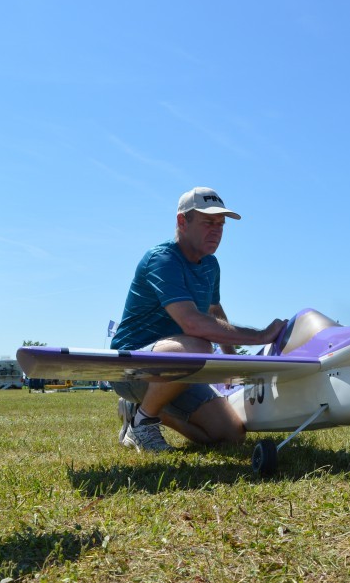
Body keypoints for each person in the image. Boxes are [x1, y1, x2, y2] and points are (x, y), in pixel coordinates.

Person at [109, 187, 286, 452]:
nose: (216, 231)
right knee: (199, 346)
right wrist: (261, 336)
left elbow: (214, 310)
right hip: (132, 370)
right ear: (182, 221)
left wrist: (232, 361)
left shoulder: (210, 265)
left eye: (220, 224)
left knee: (231, 435)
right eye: (208, 222)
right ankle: (143, 424)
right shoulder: (162, 259)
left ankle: (139, 412)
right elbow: (193, 323)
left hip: (179, 370)